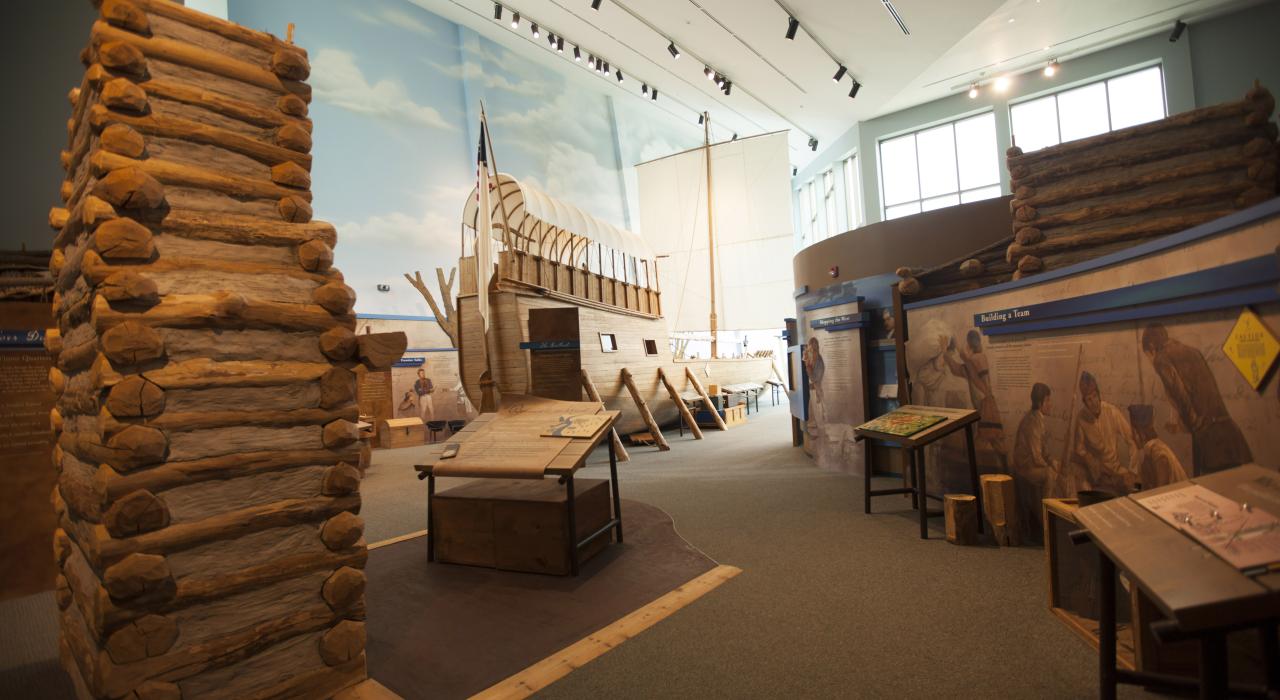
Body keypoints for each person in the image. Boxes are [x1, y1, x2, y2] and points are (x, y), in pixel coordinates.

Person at [1141, 323, 1252, 475]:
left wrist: (1191, 423)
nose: (1150, 361)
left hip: (1211, 443)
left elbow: (1181, 395)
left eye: (1148, 355)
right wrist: (1180, 423)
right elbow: (1199, 394)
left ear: (1152, 347)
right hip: (1229, 434)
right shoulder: (1193, 352)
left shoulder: (1161, 359)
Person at [945, 330, 1008, 469]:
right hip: (984, 404)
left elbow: (983, 385)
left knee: (989, 438)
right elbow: (957, 370)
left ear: (970, 344)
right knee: (993, 439)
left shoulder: (977, 358)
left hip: (986, 404)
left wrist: (964, 359)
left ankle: (991, 473)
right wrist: (947, 354)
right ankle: (1001, 470)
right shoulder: (973, 361)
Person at [1070, 372, 1138, 494]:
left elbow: (1131, 440)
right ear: (1084, 402)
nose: (1094, 402)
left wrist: (1132, 471)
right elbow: (1079, 449)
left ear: (1099, 395)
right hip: (1097, 475)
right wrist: (1092, 462)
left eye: (1095, 396)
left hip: (1116, 471)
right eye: (1089, 399)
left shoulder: (1111, 412)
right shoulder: (1081, 418)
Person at [1128, 404, 1188, 491]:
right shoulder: (1144, 452)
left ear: (1140, 432)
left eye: (1133, 431)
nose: (1132, 436)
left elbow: (1161, 490)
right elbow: (1139, 484)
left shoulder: (1157, 451)